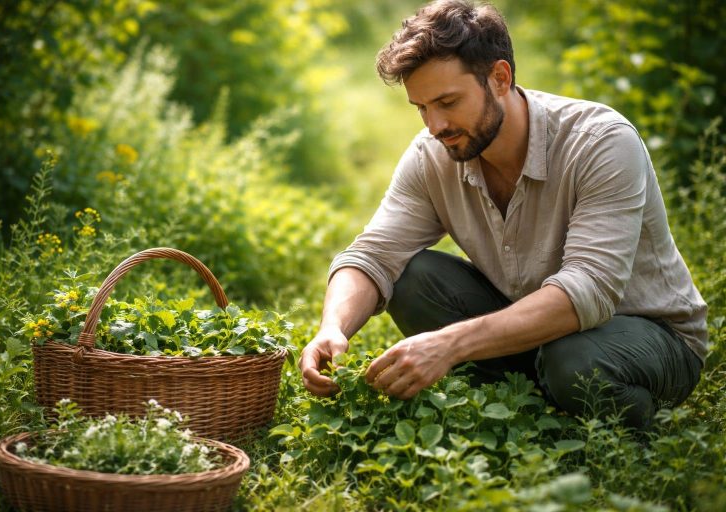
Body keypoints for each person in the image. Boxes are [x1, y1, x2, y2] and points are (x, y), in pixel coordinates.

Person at [299, 0, 707, 429]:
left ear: (499, 77)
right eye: (421, 107)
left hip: (648, 336)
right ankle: (530, 406)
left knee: (573, 359)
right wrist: (334, 327)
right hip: (537, 332)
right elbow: (374, 254)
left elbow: (591, 288)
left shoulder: (600, 142)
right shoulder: (435, 152)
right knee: (411, 276)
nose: (435, 125)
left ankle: (628, 430)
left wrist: (450, 345)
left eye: (447, 101)